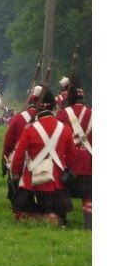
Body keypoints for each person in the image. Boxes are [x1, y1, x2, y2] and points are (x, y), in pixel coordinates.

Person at [10, 87, 74, 225]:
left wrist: (15, 172)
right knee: (56, 217)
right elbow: (71, 157)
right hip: (56, 179)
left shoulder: (30, 129)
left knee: (25, 217)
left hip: (32, 178)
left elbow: (19, 155)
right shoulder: (65, 128)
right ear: (53, 107)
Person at [56, 77, 92, 229]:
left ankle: (62, 221)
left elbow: (57, 138)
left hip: (70, 162)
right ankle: (90, 224)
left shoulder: (63, 114)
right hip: (90, 161)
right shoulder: (92, 113)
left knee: (62, 192)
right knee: (89, 196)